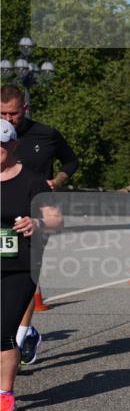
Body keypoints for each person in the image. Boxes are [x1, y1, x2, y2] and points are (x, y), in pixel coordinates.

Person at [1, 85, 79, 366]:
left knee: (25, 275)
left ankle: (18, 337)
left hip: (36, 218)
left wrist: (55, 182)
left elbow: (71, 162)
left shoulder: (46, 134)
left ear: (25, 109)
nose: (8, 119)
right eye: (2, 114)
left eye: (13, 114)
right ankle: (18, 331)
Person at [1, 119, 62, 411]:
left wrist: (34, 222)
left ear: (13, 146)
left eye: (1, 145)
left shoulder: (32, 181)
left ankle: (5, 394)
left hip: (20, 266)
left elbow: (55, 221)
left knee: (2, 331)